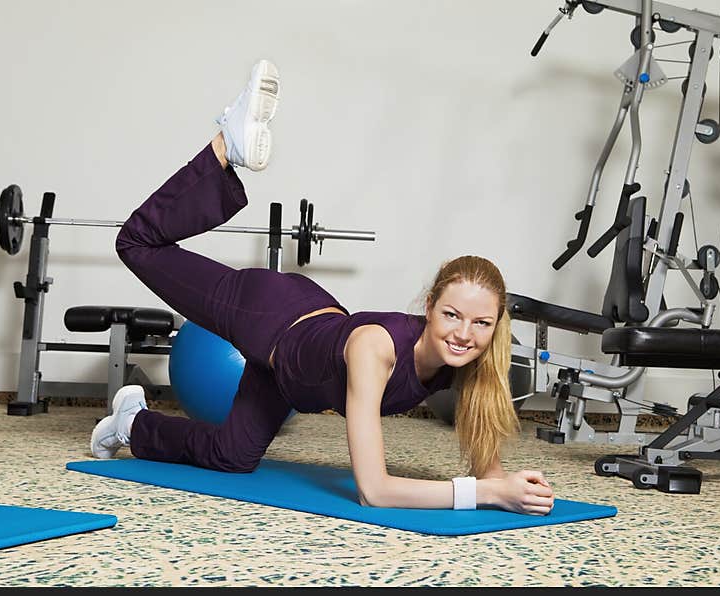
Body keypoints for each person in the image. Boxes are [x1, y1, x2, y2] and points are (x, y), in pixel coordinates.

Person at [90, 59, 555, 515]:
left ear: (496, 327)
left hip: (289, 372)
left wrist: (507, 486)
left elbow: (490, 475)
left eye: (481, 323)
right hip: (273, 316)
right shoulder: (376, 349)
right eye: (452, 315)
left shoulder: (471, 361)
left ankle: (132, 422)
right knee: (136, 243)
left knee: (233, 456)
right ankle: (224, 144)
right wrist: (487, 494)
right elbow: (374, 490)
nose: (463, 333)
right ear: (430, 306)